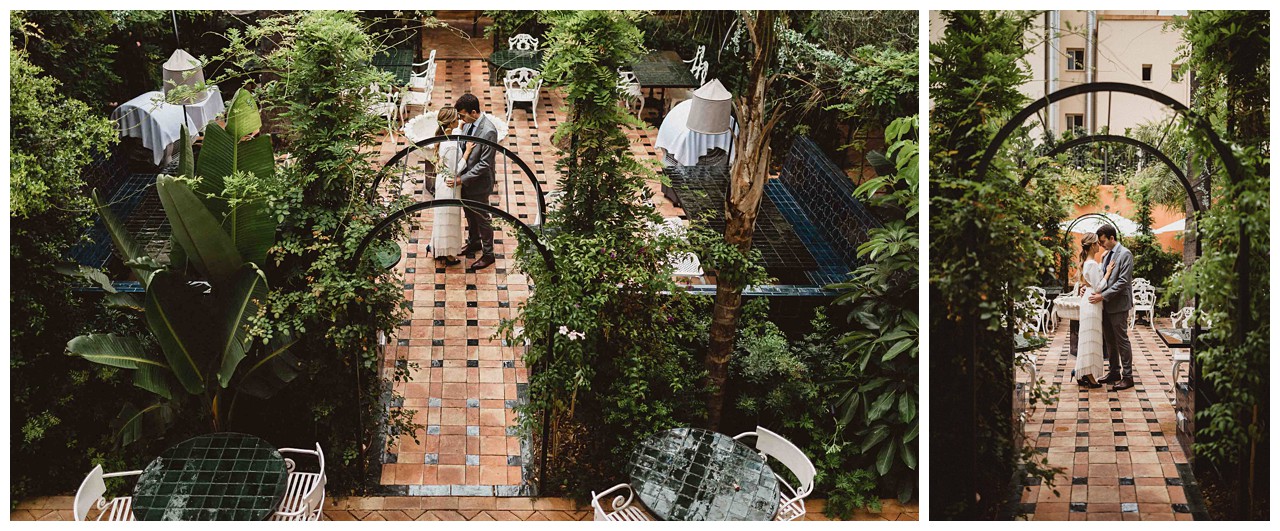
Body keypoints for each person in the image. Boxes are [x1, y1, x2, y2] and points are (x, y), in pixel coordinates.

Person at [450, 93, 498, 270]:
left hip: (479, 183)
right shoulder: (468, 125)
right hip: (466, 180)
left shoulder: (488, 130)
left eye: (462, 115)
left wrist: (462, 179)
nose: (460, 119)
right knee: (469, 214)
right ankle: (474, 242)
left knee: (482, 218)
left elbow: (485, 163)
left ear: (473, 112)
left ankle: (488, 253)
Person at [1089, 224, 1136, 390]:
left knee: (1121, 340)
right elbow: (1102, 278)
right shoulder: (1105, 255)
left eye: (1103, 242)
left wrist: (1103, 295)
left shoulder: (1125, 254)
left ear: (1111, 238)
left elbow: (1123, 281)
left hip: (1119, 304)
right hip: (1106, 305)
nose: (1101, 245)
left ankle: (1128, 376)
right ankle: (1114, 372)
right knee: (1109, 340)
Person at [429, 108, 472, 267]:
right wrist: (467, 152)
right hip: (450, 186)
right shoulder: (452, 145)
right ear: (451, 122)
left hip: (442, 181)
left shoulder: (443, 136)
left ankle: (438, 248)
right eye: (457, 118)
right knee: (450, 220)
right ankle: (449, 254)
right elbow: (456, 168)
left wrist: (459, 128)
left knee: (441, 218)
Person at [1074, 234, 1113, 389]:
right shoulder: (1091, 264)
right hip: (1092, 302)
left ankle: (1081, 371)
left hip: (1090, 301)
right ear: (1091, 246)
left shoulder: (1090, 263)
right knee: (1090, 338)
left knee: (1088, 337)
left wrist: (1102, 262)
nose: (1099, 245)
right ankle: (1088, 375)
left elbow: (1092, 283)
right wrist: (1108, 272)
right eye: (1097, 243)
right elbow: (1098, 287)